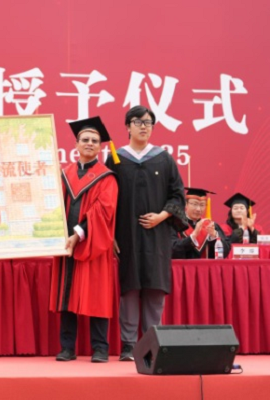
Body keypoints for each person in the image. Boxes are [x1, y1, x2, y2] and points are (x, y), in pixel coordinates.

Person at [105, 105, 187, 362]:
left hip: (157, 235)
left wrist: (162, 216)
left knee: (154, 288)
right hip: (126, 234)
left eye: (148, 122)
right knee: (129, 288)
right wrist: (110, 234)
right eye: (138, 122)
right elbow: (106, 200)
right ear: (127, 126)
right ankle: (129, 345)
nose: (144, 126)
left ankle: (152, 345)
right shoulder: (116, 159)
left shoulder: (164, 158)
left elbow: (177, 195)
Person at [50, 116, 118, 363]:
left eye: (94, 141)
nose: (89, 143)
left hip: (92, 243)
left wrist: (78, 234)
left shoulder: (107, 177)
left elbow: (104, 210)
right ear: (76, 144)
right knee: (66, 294)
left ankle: (100, 348)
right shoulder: (64, 174)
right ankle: (67, 347)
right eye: (85, 139)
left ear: (100, 147)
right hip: (65, 244)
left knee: (97, 294)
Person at [171, 188, 230, 259]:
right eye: (194, 204)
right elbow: (170, 250)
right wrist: (193, 236)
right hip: (183, 266)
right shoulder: (174, 224)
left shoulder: (211, 226)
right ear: (185, 204)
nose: (198, 209)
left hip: (206, 266)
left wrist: (214, 236)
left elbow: (224, 253)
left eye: (202, 205)